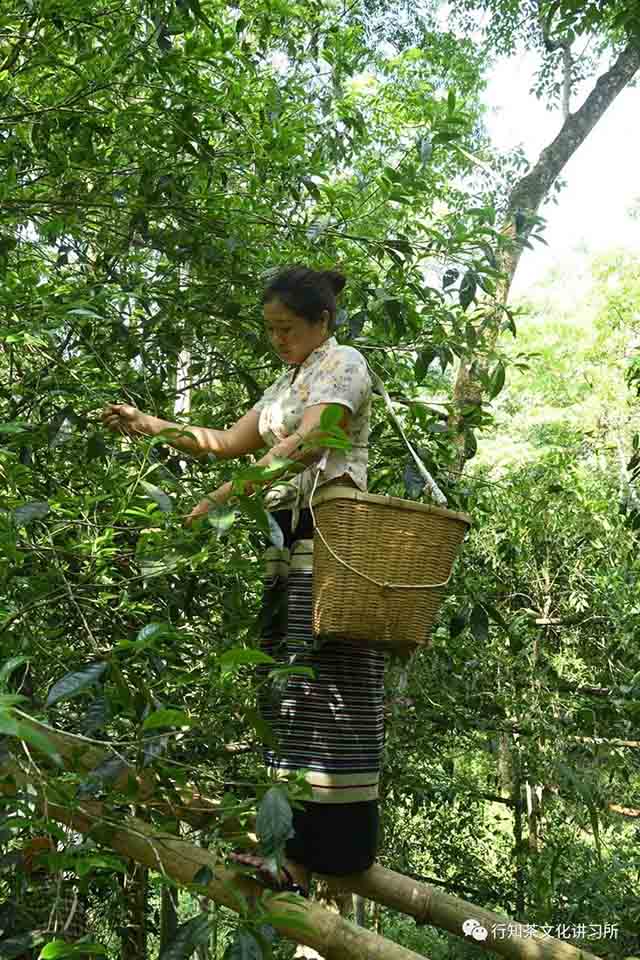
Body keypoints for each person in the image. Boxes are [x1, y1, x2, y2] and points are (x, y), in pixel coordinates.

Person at [102, 265, 386, 896]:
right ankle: (291, 852)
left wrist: (224, 500)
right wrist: (152, 424)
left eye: (287, 329)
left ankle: (337, 851)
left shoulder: (343, 364)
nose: (278, 340)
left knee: (330, 679)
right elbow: (228, 440)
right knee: (288, 682)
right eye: (271, 331)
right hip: (288, 539)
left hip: (334, 538)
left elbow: (317, 441)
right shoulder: (288, 382)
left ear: (321, 322)